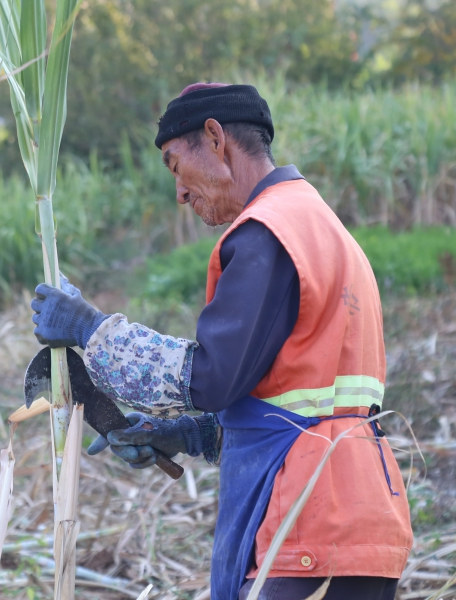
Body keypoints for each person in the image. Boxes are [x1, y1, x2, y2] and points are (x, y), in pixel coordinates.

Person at [30, 83, 413, 600]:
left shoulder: (267, 232)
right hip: (362, 517)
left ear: (214, 139)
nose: (180, 193)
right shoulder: (322, 227)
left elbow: (211, 377)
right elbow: (292, 403)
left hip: (306, 522)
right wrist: (184, 435)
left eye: (174, 166)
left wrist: (91, 331)